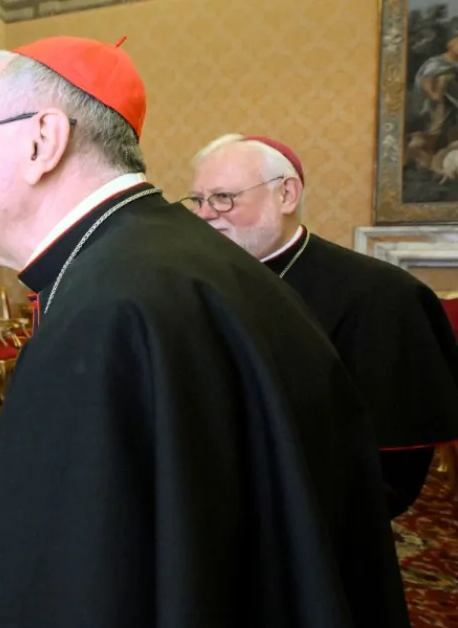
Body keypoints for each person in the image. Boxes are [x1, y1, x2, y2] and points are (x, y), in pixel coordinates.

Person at [0, 37, 411, 627]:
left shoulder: (113, 306)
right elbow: (21, 512)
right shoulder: (151, 263)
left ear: (41, 140)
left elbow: (63, 577)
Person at [187, 134, 458, 517]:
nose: (204, 215)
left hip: (310, 513)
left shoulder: (381, 294)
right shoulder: (193, 280)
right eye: (197, 200)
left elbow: (390, 474)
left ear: (286, 195)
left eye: (223, 198)